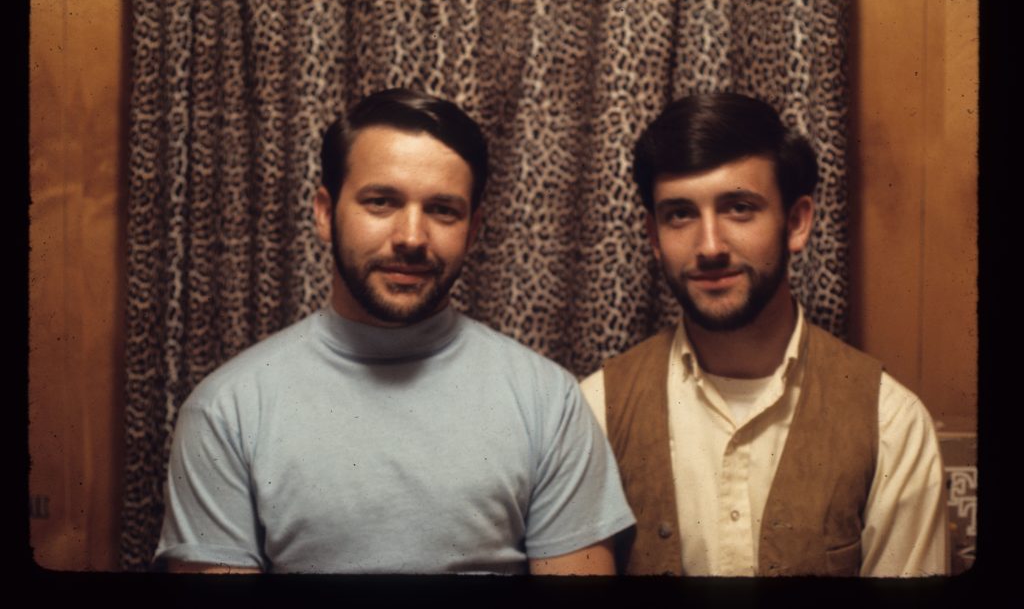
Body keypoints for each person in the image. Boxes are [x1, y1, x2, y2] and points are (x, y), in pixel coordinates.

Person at [154, 88, 635, 574]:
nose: (411, 237)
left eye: (443, 210)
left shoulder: (547, 402)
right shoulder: (227, 411)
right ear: (324, 213)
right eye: (381, 202)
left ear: (473, 228)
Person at [580, 93, 946, 577]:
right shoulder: (594, 413)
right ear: (653, 236)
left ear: (796, 223)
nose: (709, 246)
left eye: (739, 208)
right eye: (680, 215)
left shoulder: (891, 424)